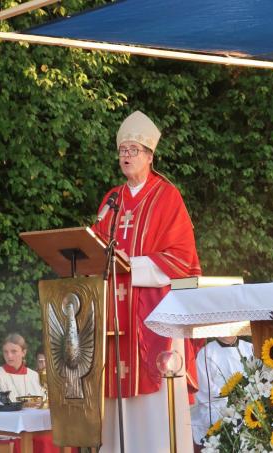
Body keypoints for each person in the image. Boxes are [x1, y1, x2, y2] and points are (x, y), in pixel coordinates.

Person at [92, 111, 202, 453]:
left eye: (134, 150)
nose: (126, 155)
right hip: (115, 317)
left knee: (156, 415)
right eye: (122, 149)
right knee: (116, 403)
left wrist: (129, 267)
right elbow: (95, 249)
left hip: (154, 318)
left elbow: (182, 259)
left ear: (150, 156)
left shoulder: (167, 196)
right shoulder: (112, 199)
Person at [190, 336, 254, 448]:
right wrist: (231, 397)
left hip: (248, 403)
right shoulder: (206, 353)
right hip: (217, 405)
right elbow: (205, 388)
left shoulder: (249, 348)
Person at [0, 333, 44, 400]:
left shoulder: (34, 376)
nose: (9, 356)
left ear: (23, 352)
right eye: (5, 352)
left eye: (14, 351)